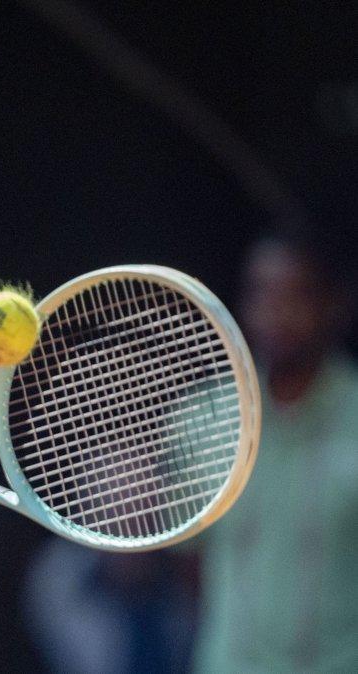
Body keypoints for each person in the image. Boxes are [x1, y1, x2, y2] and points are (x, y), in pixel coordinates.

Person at [193, 228, 358, 672]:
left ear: (333, 305)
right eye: (263, 294)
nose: (277, 313)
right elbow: (184, 558)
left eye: (297, 295)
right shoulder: (202, 416)